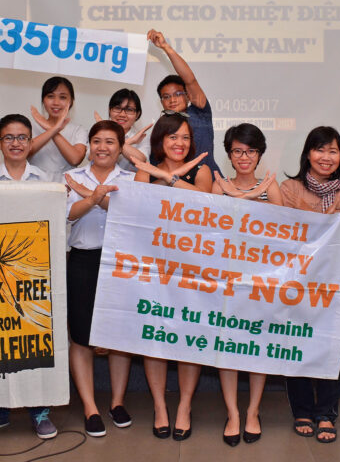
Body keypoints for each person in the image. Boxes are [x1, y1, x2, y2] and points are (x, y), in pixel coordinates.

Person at [0, 114, 56, 439]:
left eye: (22, 137)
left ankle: (39, 410)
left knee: (34, 345)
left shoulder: (47, 181)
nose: (16, 143)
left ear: (31, 143)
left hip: (33, 280)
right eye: (9, 137)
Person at [133, 112, 211, 441]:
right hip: (153, 265)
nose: (180, 143)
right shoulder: (145, 169)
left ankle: (185, 405)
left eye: (185, 138)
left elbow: (204, 203)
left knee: (187, 334)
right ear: (160, 140)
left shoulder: (201, 170)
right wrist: (152, 172)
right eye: (172, 137)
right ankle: (160, 405)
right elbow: (136, 206)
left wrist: (173, 177)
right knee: (156, 335)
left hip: (192, 265)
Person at [279, 126, 340, 444]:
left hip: (331, 281)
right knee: (294, 341)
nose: (326, 157)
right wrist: (328, 221)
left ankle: (326, 412)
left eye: (333, 150)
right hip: (295, 281)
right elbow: (284, 231)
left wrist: (311, 225)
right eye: (320, 149)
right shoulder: (289, 187)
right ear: (308, 154)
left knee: (330, 345)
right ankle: (301, 409)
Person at [63, 121, 136, 437]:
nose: (102, 147)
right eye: (96, 141)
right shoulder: (71, 177)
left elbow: (131, 217)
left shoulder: (133, 179)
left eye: (110, 141)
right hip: (82, 259)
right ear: (89, 145)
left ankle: (117, 402)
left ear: (121, 147)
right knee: (80, 337)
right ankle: (90, 407)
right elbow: (68, 214)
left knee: (119, 336)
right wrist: (91, 197)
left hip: (121, 262)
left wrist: (92, 197)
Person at [210, 123, 281, 446]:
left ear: (259, 154)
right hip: (226, 278)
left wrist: (255, 196)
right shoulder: (217, 185)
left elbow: (284, 231)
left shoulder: (272, 185)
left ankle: (252, 411)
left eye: (250, 151)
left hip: (261, 279)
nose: (244, 157)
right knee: (228, 346)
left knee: (257, 346)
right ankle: (233, 412)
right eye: (238, 150)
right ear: (229, 154)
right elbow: (215, 229)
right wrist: (252, 197)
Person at [147, 29, 220, 175]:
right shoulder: (161, 128)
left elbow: (190, 79)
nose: (172, 100)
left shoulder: (200, 112)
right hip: (177, 189)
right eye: (166, 97)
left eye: (178, 94)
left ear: (187, 96)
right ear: (161, 102)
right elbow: (157, 165)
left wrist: (166, 47)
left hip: (210, 186)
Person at [0, 76, 88, 182]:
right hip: (33, 185)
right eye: (50, 96)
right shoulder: (29, 128)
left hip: (67, 188)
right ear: (43, 100)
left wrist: (51, 129)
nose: (56, 102)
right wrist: (54, 129)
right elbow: (23, 151)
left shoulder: (78, 130)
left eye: (62, 97)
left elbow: (75, 159)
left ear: (71, 101)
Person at [94, 89, 153, 172]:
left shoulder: (143, 137)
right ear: (109, 110)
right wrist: (131, 141)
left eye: (129, 110)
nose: (122, 114)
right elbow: (92, 157)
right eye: (117, 108)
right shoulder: (98, 132)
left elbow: (141, 161)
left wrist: (123, 142)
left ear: (137, 114)